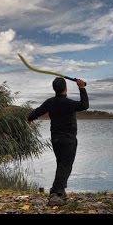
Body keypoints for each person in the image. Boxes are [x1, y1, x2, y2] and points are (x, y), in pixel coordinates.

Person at [28, 77, 88, 206]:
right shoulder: (69, 103)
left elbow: (38, 111)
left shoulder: (50, 102)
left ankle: (61, 191)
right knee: (65, 166)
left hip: (55, 140)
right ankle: (55, 193)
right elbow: (84, 105)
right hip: (68, 140)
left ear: (54, 89)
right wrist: (81, 87)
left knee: (61, 164)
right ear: (65, 88)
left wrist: (30, 118)